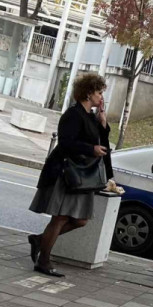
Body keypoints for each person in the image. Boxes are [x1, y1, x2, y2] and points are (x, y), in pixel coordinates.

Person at [27, 73, 113, 277]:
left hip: (82, 175)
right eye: (99, 92)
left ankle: (40, 240)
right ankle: (43, 260)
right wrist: (90, 149)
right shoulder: (73, 115)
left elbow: (102, 144)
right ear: (88, 93)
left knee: (81, 220)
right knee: (60, 217)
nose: (101, 97)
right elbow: (66, 142)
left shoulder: (90, 116)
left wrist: (102, 123)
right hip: (67, 173)